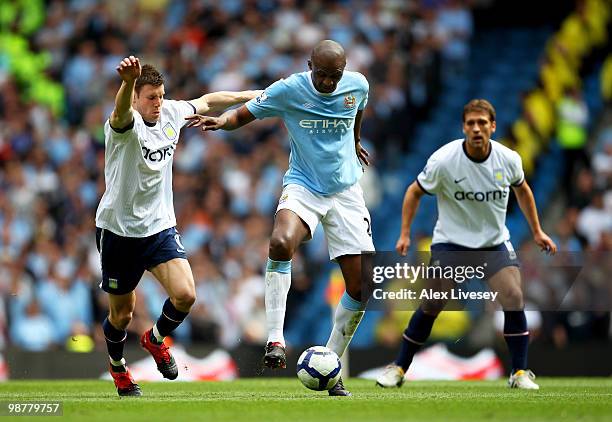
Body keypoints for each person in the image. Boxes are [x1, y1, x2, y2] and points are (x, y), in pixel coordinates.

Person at [186, 40, 374, 396]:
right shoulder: (289, 89)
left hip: (346, 192)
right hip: (304, 186)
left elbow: (358, 109)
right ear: (309, 66)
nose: (329, 83)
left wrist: (356, 139)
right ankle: (275, 339)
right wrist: (221, 122)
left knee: (362, 286)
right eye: (322, 75)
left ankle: (330, 367)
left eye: (335, 76)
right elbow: (244, 114)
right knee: (280, 241)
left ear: (344, 70)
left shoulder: (357, 84)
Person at [96, 55, 261, 397]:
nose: (158, 103)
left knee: (186, 295)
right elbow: (121, 112)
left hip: (158, 226)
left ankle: (155, 340)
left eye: (161, 95)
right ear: (137, 98)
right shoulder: (123, 125)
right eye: (150, 97)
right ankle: (118, 368)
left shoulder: (171, 112)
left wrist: (251, 94)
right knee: (122, 315)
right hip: (118, 231)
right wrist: (127, 82)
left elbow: (208, 100)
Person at [375, 99, 557, 390]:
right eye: (471, 123)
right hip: (451, 244)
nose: (476, 128)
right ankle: (398, 367)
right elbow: (413, 192)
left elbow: (522, 190)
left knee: (512, 295)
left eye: (482, 123)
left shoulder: (508, 159)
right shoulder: (444, 160)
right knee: (433, 303)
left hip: (493, 244)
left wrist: (537, 231)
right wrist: (405, 233)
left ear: (493, 127)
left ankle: (520, 373)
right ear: (463, 127)